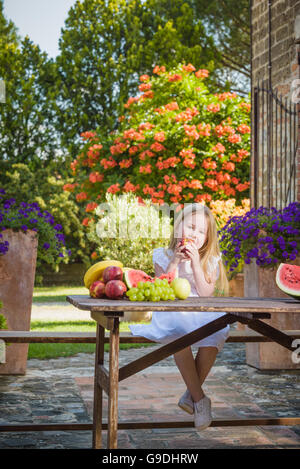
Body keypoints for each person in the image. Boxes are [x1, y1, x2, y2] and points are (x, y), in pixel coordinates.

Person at [129, 203, 230, 431]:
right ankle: (200, 400)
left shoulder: (210, 259)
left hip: (200, 310)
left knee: (218, 330)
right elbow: (163, 286)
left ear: (207, 238)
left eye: (201, 231)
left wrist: (195, 263)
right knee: (178, 334)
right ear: (178, 228)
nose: (194, 234)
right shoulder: (161, 255)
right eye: (190, 227)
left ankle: (190, 396)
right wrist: (175, 261)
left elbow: (205, 293)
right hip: (173, 309)